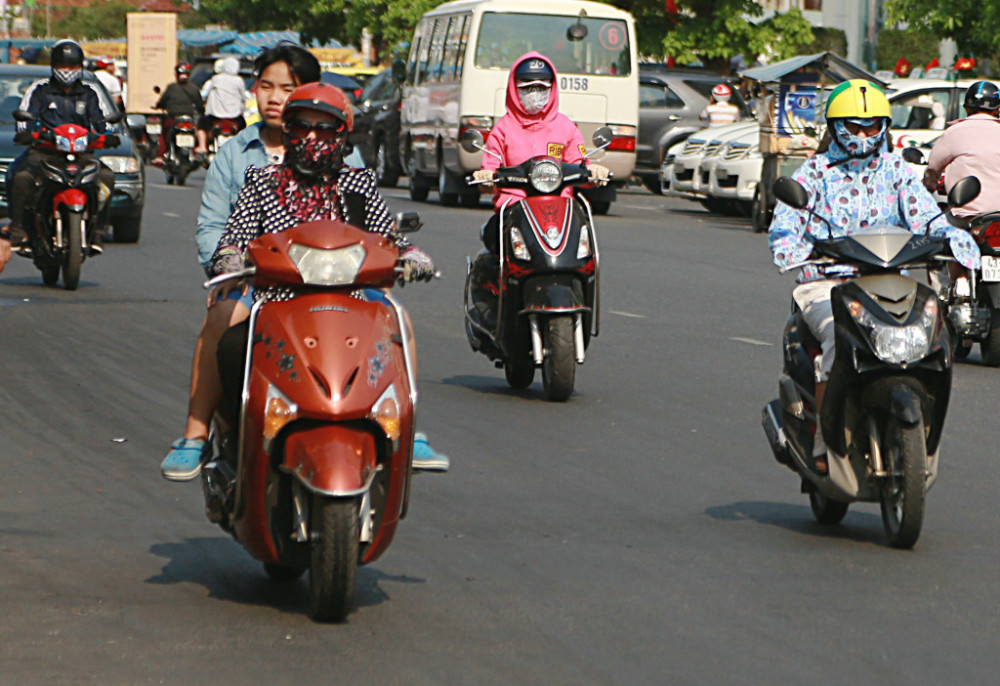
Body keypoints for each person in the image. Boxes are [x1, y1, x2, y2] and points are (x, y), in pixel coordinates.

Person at [161, 49, 446, 480]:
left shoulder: (357, 182)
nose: (312, 138)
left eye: (325, 129)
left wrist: (411, 257)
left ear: (343, 134)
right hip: (272, 295)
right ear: (288, 131)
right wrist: (229, 261)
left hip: (350, 294)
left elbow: (389, 238)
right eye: (301, 127)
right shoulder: (262, 180)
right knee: (224, 318)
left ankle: (406, 424)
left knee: (395, 318)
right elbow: (231, 236)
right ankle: (199, 432)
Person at [769, 79, 980, 473]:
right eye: (854, 126)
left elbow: (927, 216)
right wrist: (795, 248)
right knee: (836, 334)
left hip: (888, 281)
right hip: (828, 283)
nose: (864, 135)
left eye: (872, 126)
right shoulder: (814, 173)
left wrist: (952, 234)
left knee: (931, 332)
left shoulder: (896, 171)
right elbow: (786, 225)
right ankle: (823, 440)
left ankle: (920, 423)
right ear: (835, 127)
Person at [10, 40, 117, 253]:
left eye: (72, 67)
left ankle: (96, 230)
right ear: (53, 66)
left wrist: (108, 135)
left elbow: (102, 122)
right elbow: (25, 120)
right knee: (21, 178)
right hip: (44, 153)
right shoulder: (39, 90)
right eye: (62, 67)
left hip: (81, 155)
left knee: (106, 178)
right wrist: (27, 133)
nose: (67, 72)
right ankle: (19, 230)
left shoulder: (89, 94)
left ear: (81, 67)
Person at [922, 80, 1000, 222]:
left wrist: (928, 186)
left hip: (966, 218)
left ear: (966, 108)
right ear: (998, 109)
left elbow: (933, 169)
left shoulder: (954, 132)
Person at [151, 62, 203, 167]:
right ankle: (194, 153)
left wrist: (158, 106)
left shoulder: (171, 88)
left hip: (173, 119)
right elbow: (199, 104)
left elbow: (162, 102)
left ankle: (160, 156)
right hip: (189, 119)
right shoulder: (194, 88)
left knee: (164, 136)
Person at [194, 57, 247, 155]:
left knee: (201, 124)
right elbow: (243, 97)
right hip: (234, 116)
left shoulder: (216, 79)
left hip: (215, 116)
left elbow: (206, 94)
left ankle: (202, 146)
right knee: (243, 127)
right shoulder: (239, 80)